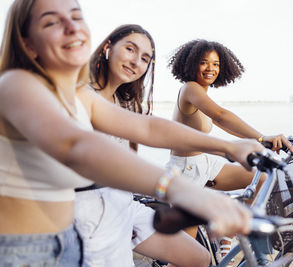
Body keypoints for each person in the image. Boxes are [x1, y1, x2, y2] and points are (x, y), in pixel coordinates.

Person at [0, 1, 265, 266]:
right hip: (30, 250)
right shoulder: (17, 84)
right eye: (52, 22)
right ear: (27, 43)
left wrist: (229, 147)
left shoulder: (77, 94)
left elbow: (147, 127)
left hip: (78, 231)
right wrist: (180, 189)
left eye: (76, 17)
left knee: (198, 257)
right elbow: (76, 147)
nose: (72, 27)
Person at [74, 24, 217, 267]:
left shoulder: (124, 102)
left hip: (121, 202)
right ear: (108, 47)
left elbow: (151, 130)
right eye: (130, 49)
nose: (135, 62)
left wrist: (230, 148)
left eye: (144, 58)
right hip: (86, 209)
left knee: (198, 257)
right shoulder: (81, 94)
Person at [167, 39, 293, 263]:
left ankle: (227, 232)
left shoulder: (203, 94)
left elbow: (218, 124)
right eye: (204, 63)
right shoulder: (190, 89)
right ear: (190, 64)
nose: (211, 69)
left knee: (261, 179)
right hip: (186, 171)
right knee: (185, 259)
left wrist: (257, 144)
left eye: (216, 64)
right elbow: (221, 116)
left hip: (204, 164)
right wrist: (262, 137)